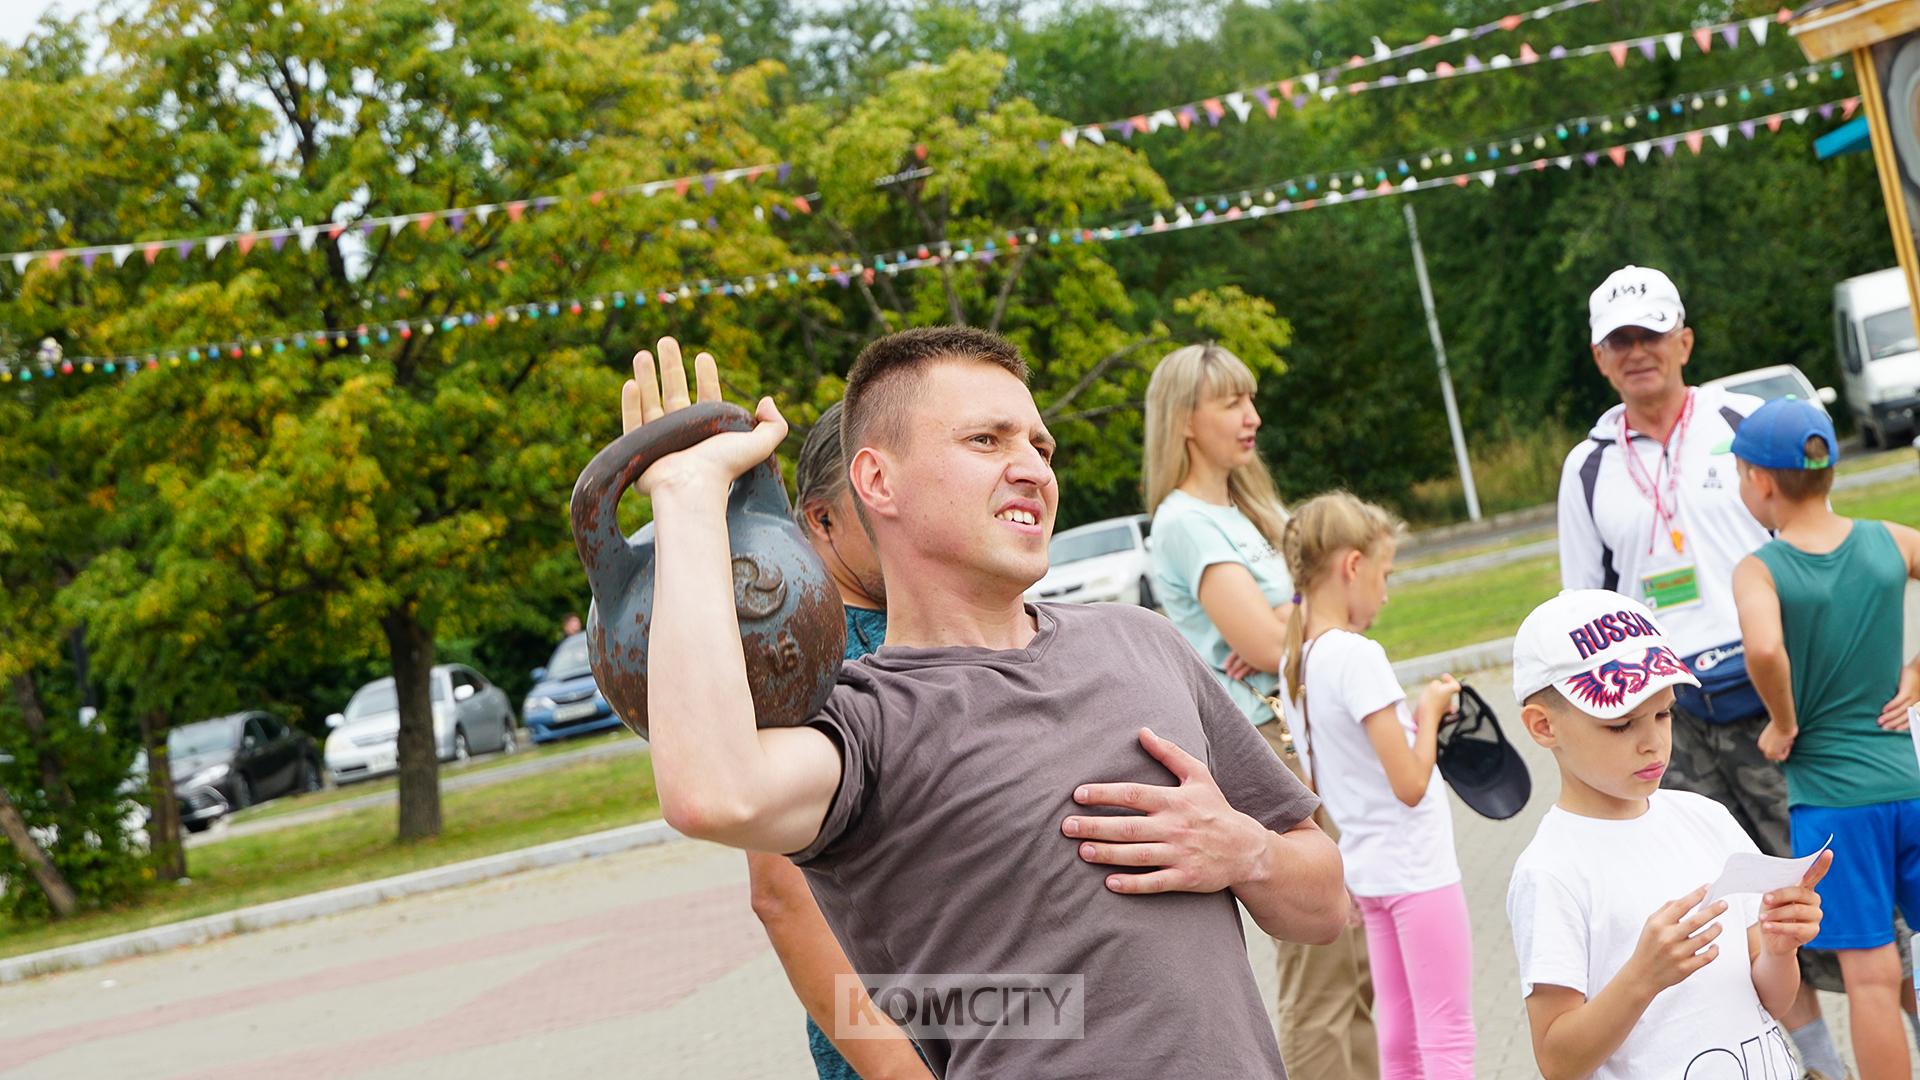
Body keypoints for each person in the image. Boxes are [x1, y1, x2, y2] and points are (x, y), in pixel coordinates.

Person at [623, 329, 1347, 1078]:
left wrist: (1246, 852)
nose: (1032, 467)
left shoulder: (1146, 643)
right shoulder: (868, 721)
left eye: (1041, 445)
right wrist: (688, 501)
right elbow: (712, 793)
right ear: (877, 481)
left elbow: (1324, 906)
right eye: (986, 439)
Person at [1555, 264, 1846, 1073]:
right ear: (1600, 357)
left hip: (1775, 701)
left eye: (1651, 334)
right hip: (1665, 716)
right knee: (1738, 902)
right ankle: (1818, 1063)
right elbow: (1583, 607)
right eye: (1621, 341)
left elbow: (1812, 542)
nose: (1639, 351)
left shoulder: (1744, 421)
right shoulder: (1587, 466)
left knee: (1830, 890)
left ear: (1684, 340)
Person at [1142, 343, 1379, 1080]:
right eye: (1233, 403)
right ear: (1185, 420)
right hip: (1267, 743)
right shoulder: (1185, 522)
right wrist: (1296, 619)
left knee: (1357, 962)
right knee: (1322, 971)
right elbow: (1266, 638)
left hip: (1308, 732)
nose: (1254, 417)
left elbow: (1329, 616)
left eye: (1250, 400)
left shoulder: (1248, 511)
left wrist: (1293, 620)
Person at [1506, 589, 1831, 1080]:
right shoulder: (1551, 870)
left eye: (1664, 714)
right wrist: (1642, 978)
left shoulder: (1706, 819)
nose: (1652, 741)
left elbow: (1772, 999)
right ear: (1543, 726)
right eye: (1619, 724)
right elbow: (1558, 1059)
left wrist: (1780, 947)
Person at [1729, 396, 1920, 1080]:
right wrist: (1917, 673)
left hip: (1835, 803)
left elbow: (1764, 651)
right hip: (1908, 781)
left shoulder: (1761, 568)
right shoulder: (1887, 541)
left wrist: (1783, 723)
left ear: (1761, 482)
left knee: (1871, 978)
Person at [745, 401, 928, 1080]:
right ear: (822, 519)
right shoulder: (797, 658)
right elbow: (782, 896)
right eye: (879, 502)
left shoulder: (925, 621)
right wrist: (892, 1068)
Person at [1276, 492, 1474, 1078]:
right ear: (1352, 566)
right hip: (1417, 869)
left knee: (1399, 1035)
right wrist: (1433, 709)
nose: (1385, 592)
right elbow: (1410, 782)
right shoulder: (1357, 656)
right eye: (1384, 574)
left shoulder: (1299, 662)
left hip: (1367, 876)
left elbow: (1320, 783)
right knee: (1447, 1032)